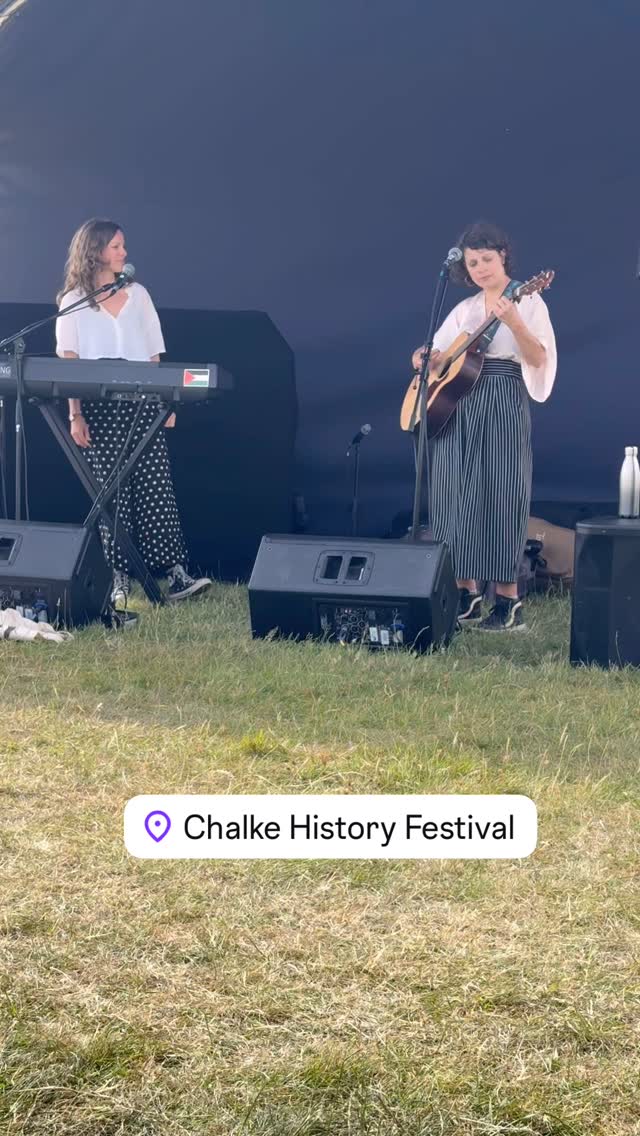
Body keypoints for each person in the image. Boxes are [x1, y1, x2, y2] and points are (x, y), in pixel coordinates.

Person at [55, 218, 211, 606]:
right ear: (96, 251)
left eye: (123, 246)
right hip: (100, 409)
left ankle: (175, 575)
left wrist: (165, 401)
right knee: (112, 494)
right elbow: (69, 363)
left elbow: (154, 352)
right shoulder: (72, 300)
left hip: (144, 404)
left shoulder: (138, 294)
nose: (124, 253)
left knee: (155, 487)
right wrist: (76, 415)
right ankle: (119, 579)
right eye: (116, 246)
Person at [411, 221, 557, 631]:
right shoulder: (466, 309)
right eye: (473, 263)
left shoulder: (528, 300)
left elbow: (539, 357)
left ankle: (508, 602)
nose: (479, 268)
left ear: (503, 257)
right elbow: (437, 355)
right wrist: (424, 358)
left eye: (487, 260)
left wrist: (513, 321)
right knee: (453, 490)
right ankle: (465, 593)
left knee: (500, 490)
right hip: (457, 404)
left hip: (501, 397)